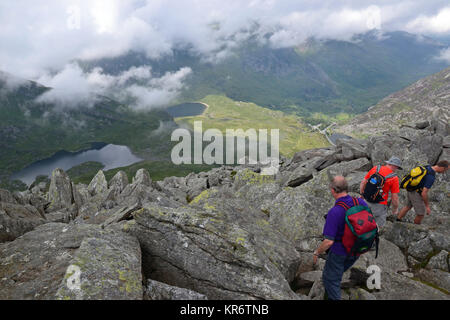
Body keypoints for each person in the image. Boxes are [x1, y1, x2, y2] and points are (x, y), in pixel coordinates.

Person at [313, 176, 369, 300]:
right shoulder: (360, 202)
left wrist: (317, 252)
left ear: (333, 190)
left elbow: (328, 242)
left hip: (340, 252)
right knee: (335, 274)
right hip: (358, 249)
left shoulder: (335, 211)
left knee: (330, 280)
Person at [397, 160, 449, 224]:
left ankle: (397, 220)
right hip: (415, 193)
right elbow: (424, 193)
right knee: (420, 214)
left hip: (410, 189)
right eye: (445, 170)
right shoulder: (431, 177)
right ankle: (415, 230)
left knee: (408, 206)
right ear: (443, 167)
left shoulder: (427, 167)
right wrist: (427, 206)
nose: (444, 172)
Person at [359, 156, 401, 229]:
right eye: (397, 168)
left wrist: (362, 194)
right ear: (395, 166)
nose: (396, 169)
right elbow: (395, 197)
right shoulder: (394, 178)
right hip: (379, 205)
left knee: (361, 221)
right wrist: (395, 209)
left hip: (366, 200)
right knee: (378, 227)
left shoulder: (375, 168)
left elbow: (363, 182)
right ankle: (373, 239)